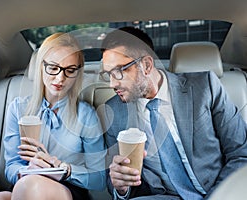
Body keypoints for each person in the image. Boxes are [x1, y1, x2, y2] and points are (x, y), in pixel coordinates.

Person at [99, 26, 247, 200]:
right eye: (108, 74)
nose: (111, 84)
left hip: (218, 191)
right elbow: (116, 182)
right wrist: (121, 186)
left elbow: (241, 153)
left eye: (118, 72)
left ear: (146, 65)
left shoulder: (205, 87)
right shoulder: (113, 112)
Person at [0, 32, 106, 200]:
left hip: (69, 190)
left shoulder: (86, 115)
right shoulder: (18, 108)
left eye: (70, 70)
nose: (60, 78)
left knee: (32, 187)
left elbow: (100, 178)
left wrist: (64, 169)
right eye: (53, 68)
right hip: (26, 183)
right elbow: (12, 165)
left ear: (78, 72)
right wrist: (28, 171)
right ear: (41, 66)